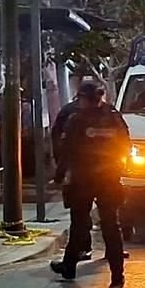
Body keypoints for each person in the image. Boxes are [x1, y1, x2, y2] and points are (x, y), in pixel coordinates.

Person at [50, 82, 130, 288]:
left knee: (80, 224)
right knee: (110, 225)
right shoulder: (114, 117)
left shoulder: (77, 120)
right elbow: (125, 144)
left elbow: (66, 151)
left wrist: (59, 177)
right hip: (108, 178)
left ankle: (69, 267)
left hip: (83, 179)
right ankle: (117, 275)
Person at [51, 77, 95, 261]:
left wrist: (61, 171)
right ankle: (86, 249)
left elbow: (61, 143)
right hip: (90, 174)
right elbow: (60, 141)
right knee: (86, 215)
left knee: (80, 214)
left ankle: (78, 254)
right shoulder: (72, 114)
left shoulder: (73, 114)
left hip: (82, 174)